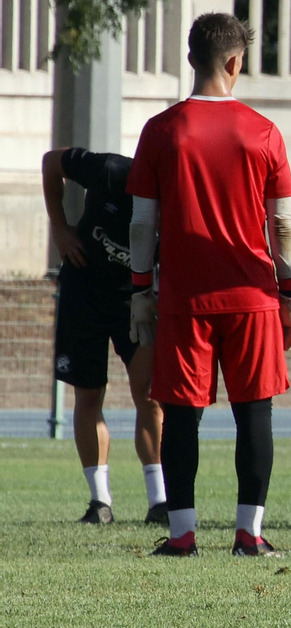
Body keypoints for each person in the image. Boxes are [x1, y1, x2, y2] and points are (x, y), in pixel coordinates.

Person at [128, 13, 291, 558]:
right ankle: (249, 534)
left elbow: (141, 223)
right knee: (255, 413)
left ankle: (182, 535)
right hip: (253, 296)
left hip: (184, 297)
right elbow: (283, 224)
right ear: (235, 61)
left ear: (190, 59)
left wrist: (140, 290)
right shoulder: (263, 131)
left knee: (181, 416)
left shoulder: (161, 130)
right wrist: (290, 294)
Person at [43, 147, 166, 525]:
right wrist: (60, 228)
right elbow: (51, 162)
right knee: (89, 394)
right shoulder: (111, 170)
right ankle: (100, 502)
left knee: (150, 395)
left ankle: (160, 501)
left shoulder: (182, 200)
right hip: (85, 291)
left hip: (138, 299)